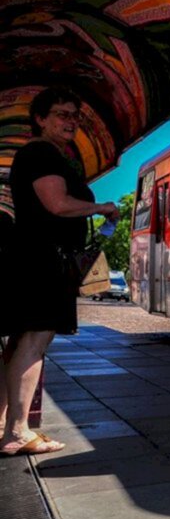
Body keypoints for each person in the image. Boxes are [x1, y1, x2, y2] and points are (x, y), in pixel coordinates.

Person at [1, 87, 119, 456]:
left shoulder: (45, 155)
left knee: (21, 343)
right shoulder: (41, 153)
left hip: (32, 257)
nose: (71, 122)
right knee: (35, 341)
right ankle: (18, 432)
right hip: (42, 260)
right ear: (40, 118)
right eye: (62, 114)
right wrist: (102, 207)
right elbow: (56, 203)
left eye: (75, 116)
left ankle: (6, 426)